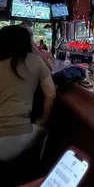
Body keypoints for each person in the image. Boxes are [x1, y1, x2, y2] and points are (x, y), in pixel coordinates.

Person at [0, 25, 56, 161]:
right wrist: (42, 121)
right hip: (15, 137)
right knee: (46, 132)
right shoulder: (35, 61)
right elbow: (51, 94)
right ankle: (35, 173)